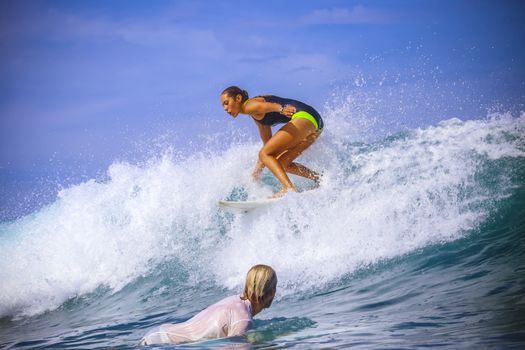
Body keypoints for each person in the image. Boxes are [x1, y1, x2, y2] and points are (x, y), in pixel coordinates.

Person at [220, 86, 324, 197]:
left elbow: (265, 106)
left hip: (305, 117)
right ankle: (319, 178)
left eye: (226, 103)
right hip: (316, 126)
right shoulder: (257, 117)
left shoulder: (249, 105)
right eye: (223, 106)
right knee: (281, 163)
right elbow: (267, 147)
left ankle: (288, 188)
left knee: (265, 154)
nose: (225, 108)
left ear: (238, 98)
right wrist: (256, 173)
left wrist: (281, 109)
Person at [139, 264, 277, 346]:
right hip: (164, 344)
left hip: (158, 334)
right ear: (271, 292)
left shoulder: (235, 301)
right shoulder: (243, 319)